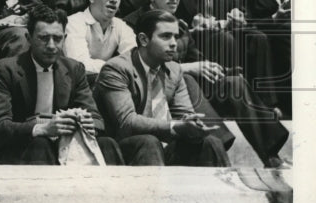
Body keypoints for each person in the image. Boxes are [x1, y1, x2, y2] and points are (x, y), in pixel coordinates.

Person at [126, 0, 289, 167]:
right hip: (156, 100)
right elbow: (139, 66)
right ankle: (216, 145)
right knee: (187, 78)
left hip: (189, 95)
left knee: (234, 83)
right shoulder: (134, 23)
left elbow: (197, 59)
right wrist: (189, 67)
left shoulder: (180, 24)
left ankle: (270, 156)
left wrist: (221, 72)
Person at [0, 5, 124, 165]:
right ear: (28, 38)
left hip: (62, 146)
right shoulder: (3, 69)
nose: (52, 45)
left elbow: (97, 119)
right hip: (13, 150)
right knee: (41, 144)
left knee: (108, 145)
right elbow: (0, 126)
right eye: (44, 38)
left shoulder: (74, 69)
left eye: (57, 38)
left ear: (65, 38)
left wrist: (88, 122)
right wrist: (43, 128)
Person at [95, 9, 230, 167]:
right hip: (123, 151)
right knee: (149, 142)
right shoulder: (116, 68)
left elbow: (184, 115)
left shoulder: (174, 69)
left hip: (162, 147)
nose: (174, 43)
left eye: (176, 36)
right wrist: (176, 126)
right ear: (144, 39)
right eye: (166, 36)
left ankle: (229, 191)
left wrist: (193, 124)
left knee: (211, 142)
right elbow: (127, 122)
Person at [63, 0, 137, 76]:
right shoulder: (73, 23)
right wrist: (117, 68)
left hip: (108, 81)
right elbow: (80, 65)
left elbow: (134, 61)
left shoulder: (121, 26)